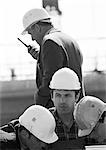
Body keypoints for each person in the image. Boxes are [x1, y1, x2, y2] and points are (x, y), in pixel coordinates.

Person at [21, 8, 85, 108]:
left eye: (31, 33)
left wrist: (39, 103)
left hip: (60, 111)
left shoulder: (49, 42)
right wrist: (40, 57)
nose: (32, 38)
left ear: (37, 27)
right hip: (75, 108)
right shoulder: (69, 39)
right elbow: (63, 65)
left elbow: (50, 79)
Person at [48, 67, 86, 150]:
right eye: (58, 95)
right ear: (52, 96)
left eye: (67, 95)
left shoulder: (87, 119)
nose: (62, 101)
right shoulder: (46, 120)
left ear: (77, 96)